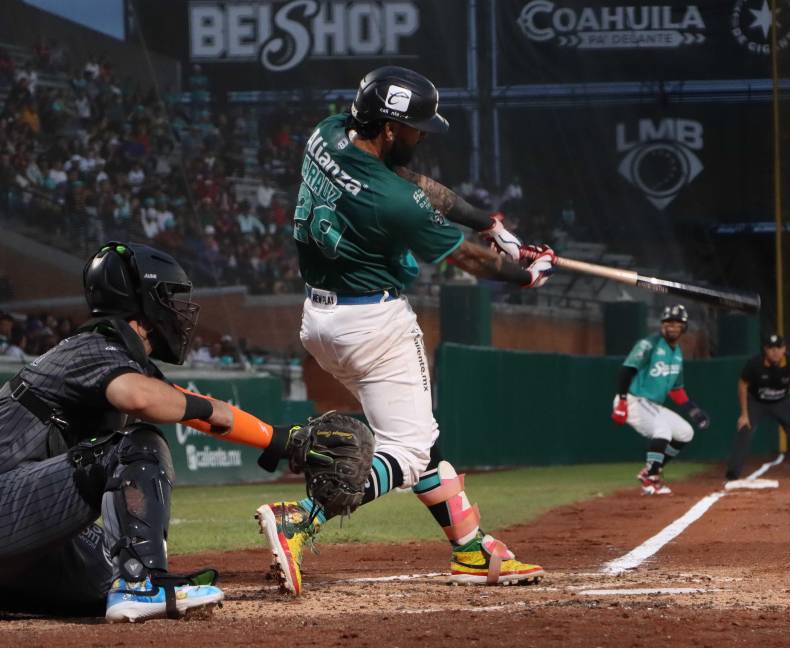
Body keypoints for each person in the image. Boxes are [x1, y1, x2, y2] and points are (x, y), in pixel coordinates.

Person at [256, 66, 554, 595]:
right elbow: (466, 260)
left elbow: (414, 186)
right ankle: (300, 518)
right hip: (374, 324)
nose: (422, 135)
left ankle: (469, 547)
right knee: (410, 450)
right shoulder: (390, 203)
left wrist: (489, 223)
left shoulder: (325, 134)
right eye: (417, 127)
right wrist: (525, 273)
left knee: (420, 435)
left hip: (321, 320)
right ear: (391, 128)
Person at [0, 242, 241, 622]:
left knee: (102, 575)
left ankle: (123, 582)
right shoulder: (94, 344)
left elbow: (177, 402)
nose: (180, 310)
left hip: (14, 525)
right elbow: (138, 397)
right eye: (169, 296)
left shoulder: (113, 354)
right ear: (143, 301)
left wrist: (281, 440)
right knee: (134, 445)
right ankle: (140, 584)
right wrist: (215, 408)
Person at [610, 304, 710, 496]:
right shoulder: (649, 344)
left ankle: (650, 469)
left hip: (651, 404)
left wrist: (693, 411)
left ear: (684, 327)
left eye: (677, 323)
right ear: (662, 325)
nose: (672, 327)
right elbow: (626, 370)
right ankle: (650, 480)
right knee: (662, 430)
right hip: (633, 400)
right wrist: (622, 401)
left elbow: (676, 390)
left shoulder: (678, 353)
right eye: (668, 323)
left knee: (685, 432)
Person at [725, 334, 790, 485]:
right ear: (765, 350)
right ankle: (732, 476)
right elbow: (742, 385)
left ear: (784, 349)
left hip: (782, 402)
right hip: (757, 402)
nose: (775, 352)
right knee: (744, 429)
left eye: (779, 348)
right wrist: (744, 414)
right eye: (771, 348)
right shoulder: (755, 363)